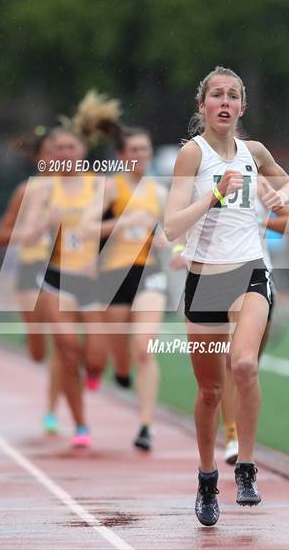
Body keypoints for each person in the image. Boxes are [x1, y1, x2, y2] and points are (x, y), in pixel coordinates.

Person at [164, 66, 289, 526]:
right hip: (204, 279)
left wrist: (283, 198)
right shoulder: (191, 155)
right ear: (202, 107)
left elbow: (287, 183)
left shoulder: (253, 151)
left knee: (243, 364)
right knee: (210, 390)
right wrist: (214, 196)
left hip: (249, 272)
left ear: (242, 107)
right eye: (216, 95)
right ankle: (206, 477)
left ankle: (245, 466)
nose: (225, 102)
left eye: (233, 95)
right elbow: (170, 228)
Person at [21, 90, 122, 448]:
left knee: (95, 357)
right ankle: (81, 424)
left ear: (82, 151)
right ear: (52, 154)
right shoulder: (42, 189)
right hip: (55, 280)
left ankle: (93, 374)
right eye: (58, 149)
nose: (65, 154)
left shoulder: (102, 186)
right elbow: (27, 231)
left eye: (71, 148)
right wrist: (42, 224)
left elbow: (122, 227)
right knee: (66, 349)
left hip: (90, 282)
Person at [82, 127, 169, 451]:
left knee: (144, 348)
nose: (140, 156)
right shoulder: (111, 188)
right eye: (133, 150)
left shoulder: (158, 193)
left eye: (144, 150)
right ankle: (120, 370)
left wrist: (169, 245)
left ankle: (146, 425)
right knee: (120, 350)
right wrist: (120, 224)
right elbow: (87, 226)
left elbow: (172, 235)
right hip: (113, 273)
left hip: (148, 272)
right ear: (121, 156)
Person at [222, 176, 289, 465]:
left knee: (249, 365)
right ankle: (233, 439)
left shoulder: (257, 184)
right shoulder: (206, 180)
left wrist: (261, 221)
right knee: (233, 363)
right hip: (219, 280)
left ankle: (241, 437)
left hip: (260, 281)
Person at [0, 128, 62, 434]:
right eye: (50, 153)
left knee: (63, 340)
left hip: (62, 272)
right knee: (38, 353)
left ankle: (51, 411)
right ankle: (31, 336)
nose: (58, 158)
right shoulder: (25, 191)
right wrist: (28, 233)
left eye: (62, 152)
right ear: (39, 158)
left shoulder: (79, 190)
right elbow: (1, 236)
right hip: (28, 268)